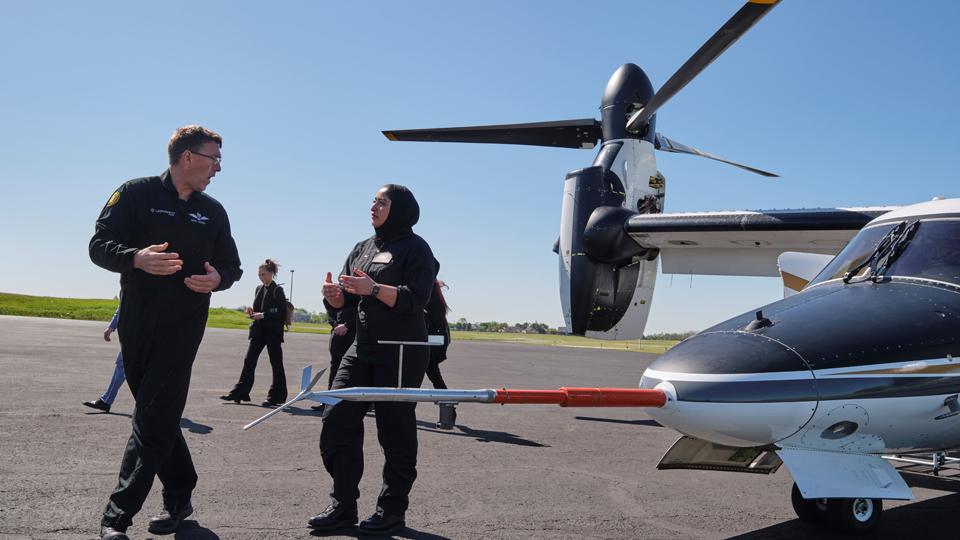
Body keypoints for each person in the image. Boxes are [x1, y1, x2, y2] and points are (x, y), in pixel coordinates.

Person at [88, 125, 242, 540]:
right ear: (188, 158)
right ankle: (180, 494)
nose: (218, 169)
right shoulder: (135, 194)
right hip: (138, 321)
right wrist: (136, 258)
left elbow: (231, 265)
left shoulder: (213, 211)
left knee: (152, 415)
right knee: (159, 414)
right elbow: (98, 245)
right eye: (214, 160)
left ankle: (116, 518)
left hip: (184, 326)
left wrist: (218, 279)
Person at [309, 184, 437, 536]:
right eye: (373, 201)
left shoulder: (416, 249)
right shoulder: (362, 249)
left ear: (401, 209)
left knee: (394, 432)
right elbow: (348, 306)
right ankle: (342, 506)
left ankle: (391, 510)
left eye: (382, 202)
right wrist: (335, 299)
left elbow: (417, 299)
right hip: (361, 347)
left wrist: (375, 290)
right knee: (336, 419)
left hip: (400, 350)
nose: (373, 206)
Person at [221, 259, 289, 407]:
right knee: (249, 360)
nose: (261, 277)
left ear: (271, 274)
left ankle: (277, 396)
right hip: (259, 331)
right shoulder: (258, 289)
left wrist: (263, 315)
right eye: (259, 274)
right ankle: (240, 392)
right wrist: (251, 311)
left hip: (272, 333)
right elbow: (259, 308)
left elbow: (280, 311)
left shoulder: (278, 290)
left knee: (276, 363)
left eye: (263, 274)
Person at [311, 303, 357, 412]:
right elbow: (330, 313)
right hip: (337, 335)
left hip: (355, 335)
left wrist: (346, 325)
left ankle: (359, 402)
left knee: (356, 368)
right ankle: (330, 400)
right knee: (335, 368)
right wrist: (335, 325)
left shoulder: (358, 293)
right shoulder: (335, 294)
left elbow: (363, 313)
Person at [83, 303, 125, 413]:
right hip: (135, 336)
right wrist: (111, 327)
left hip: (145, 334)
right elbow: (122, 306)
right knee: (123, 366)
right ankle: (106, 401)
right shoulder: (129, 287)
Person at [424, 280, 451, 390]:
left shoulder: (430, 300)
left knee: (433, 373)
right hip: (437, 341)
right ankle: (446, 399)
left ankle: (446, 399)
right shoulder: (436, 298)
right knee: (434, 374)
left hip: (431, 343)